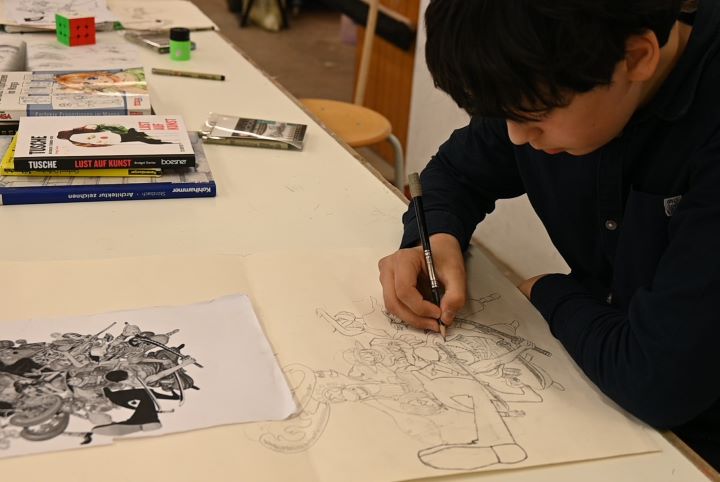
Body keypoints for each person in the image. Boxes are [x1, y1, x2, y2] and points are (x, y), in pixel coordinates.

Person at [378, 0, 720, 469]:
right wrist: (434, 239)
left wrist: (547, 292)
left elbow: (660, 380)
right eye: (506, 116)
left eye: (534, 117)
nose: (517, 138)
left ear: (638, 58)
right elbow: (455, 173)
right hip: (601, 384)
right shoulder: (552, 72)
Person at [56, 124, 172, 147]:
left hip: (111, 137)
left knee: (137, 137)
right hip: (110, 137)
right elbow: (93, 131)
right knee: (136, 136)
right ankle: (158, 141)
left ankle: (158, 141)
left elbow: (92, 132)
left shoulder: (73, 138)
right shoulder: (74, 135)